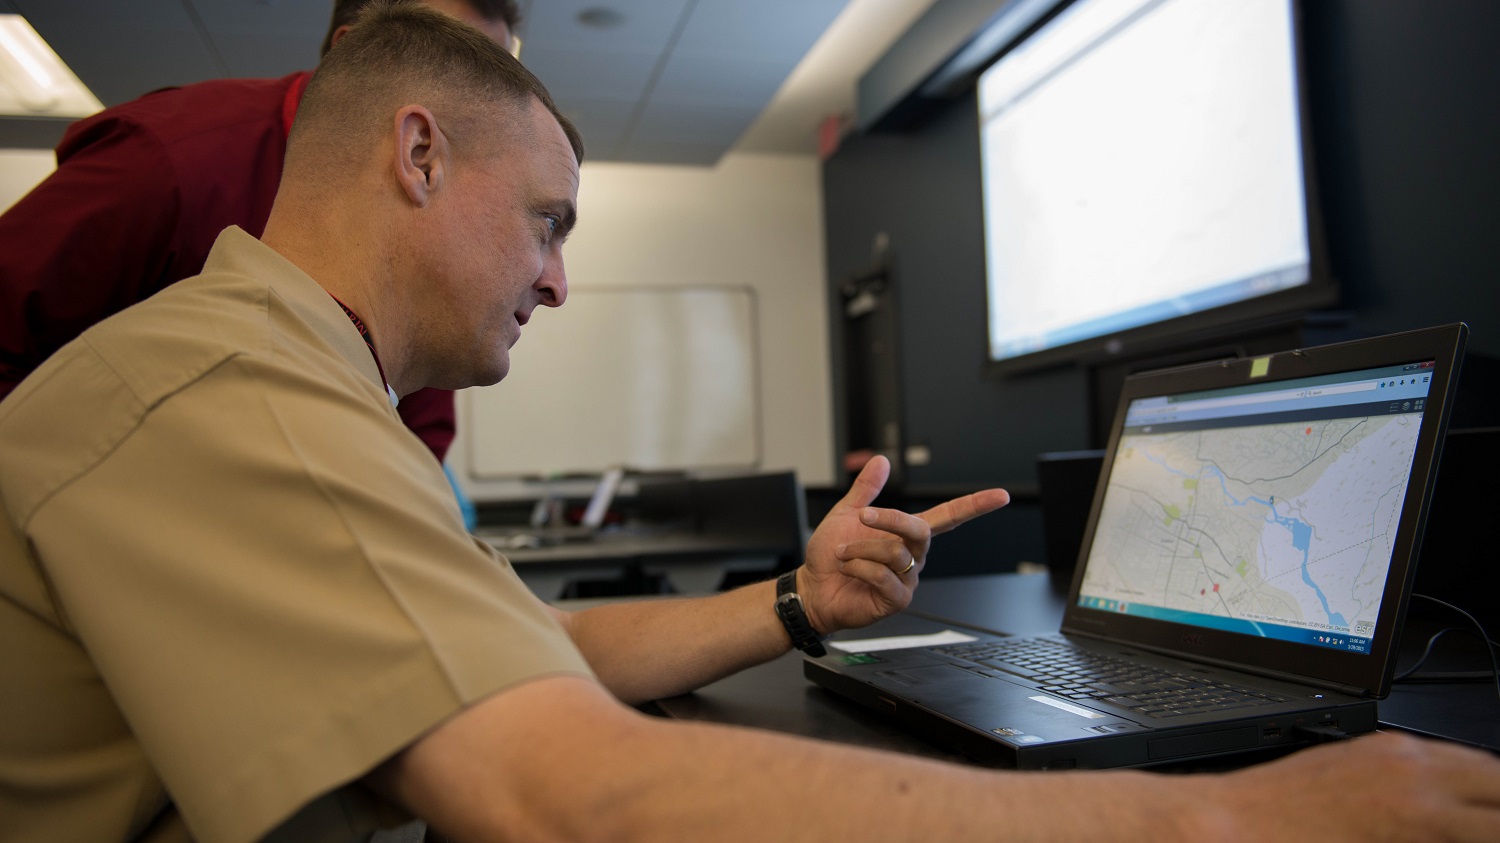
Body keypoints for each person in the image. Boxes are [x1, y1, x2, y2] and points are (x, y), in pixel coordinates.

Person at [2, 4, 1498, 842]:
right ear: (415, 155)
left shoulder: (298, 375)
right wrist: (1245, 822)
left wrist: (797, 598)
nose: (560, 278)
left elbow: (521, 658)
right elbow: (563, 783)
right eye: (545, 222)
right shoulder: (232, 388)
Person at [0, 0, 519, 463]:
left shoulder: (432, 228)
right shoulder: (168, 158)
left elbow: (414, 439)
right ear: (354, 55)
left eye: (496, 84)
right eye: (459, 72)